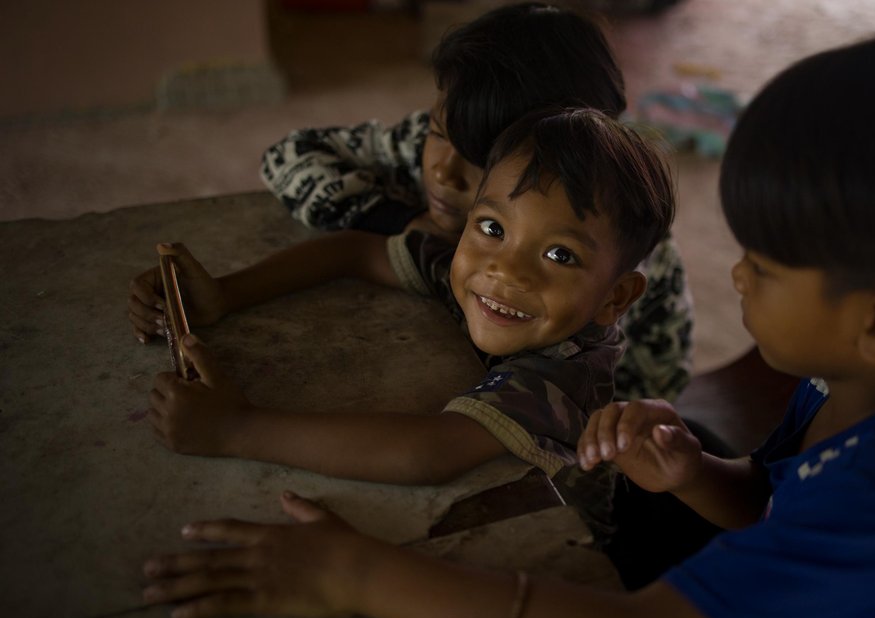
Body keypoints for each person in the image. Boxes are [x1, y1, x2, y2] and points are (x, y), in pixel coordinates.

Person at [142, 30, 875, 618]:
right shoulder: (869, 384)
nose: (735, 277)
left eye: (765, 268)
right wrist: (698, 474)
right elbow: (777, 503)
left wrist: (356, 576)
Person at [130, 108, 673, 538]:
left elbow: (427, 453)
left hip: (558, 548)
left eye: (559, 256)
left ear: (615, 297)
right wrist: (226, 293)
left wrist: (235, 429)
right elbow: (357, 251)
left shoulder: (566, 375)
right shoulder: (478, 270)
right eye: (492, 227)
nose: (505, 270)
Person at [258, 1, 694, 402]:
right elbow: (289, 157)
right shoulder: (431, 140)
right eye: (439, 133)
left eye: (477, 158)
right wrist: (404, 220)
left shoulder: (613, 245)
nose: (442, 172)